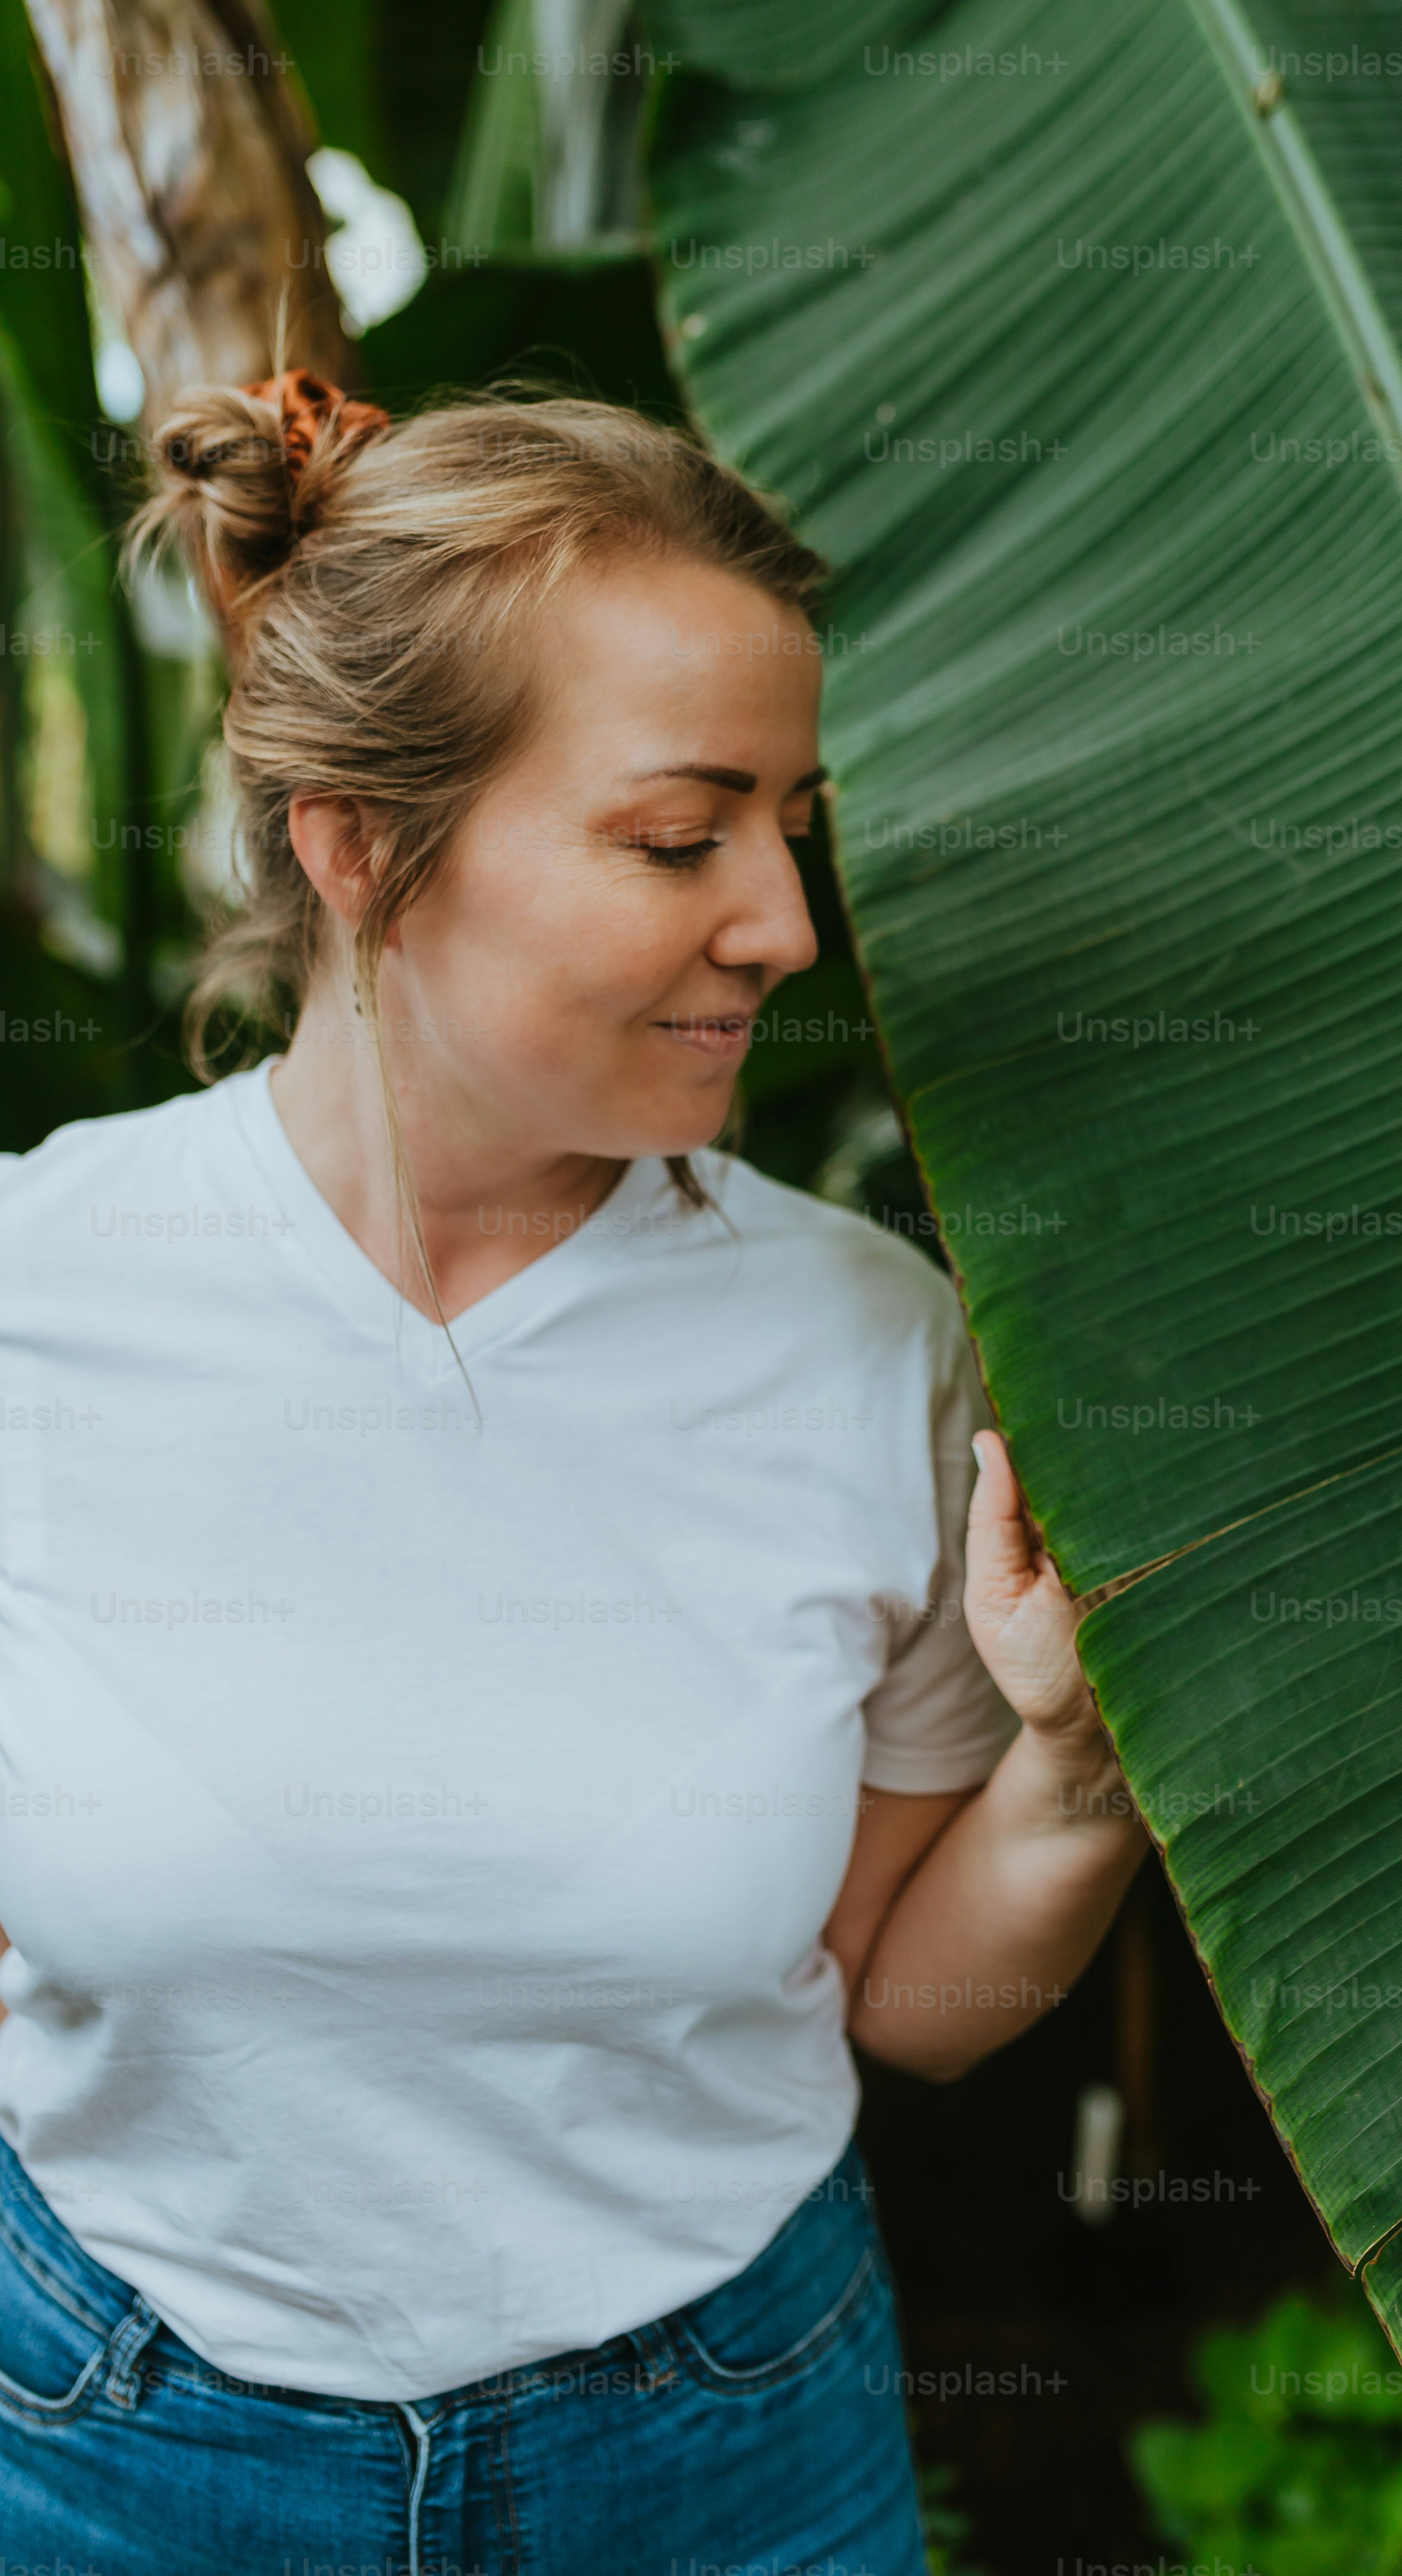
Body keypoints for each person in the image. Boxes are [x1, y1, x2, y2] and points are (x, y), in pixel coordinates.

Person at [0, 373, 1148, 2573]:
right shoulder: (38, 1294)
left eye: (790, 822)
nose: (785, 924)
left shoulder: (867, 1344)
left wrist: (1073, 1759)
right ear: (357, 843)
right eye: (675, 833)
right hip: (117, 2453)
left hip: (725, 2448)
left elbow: (894, 2006)